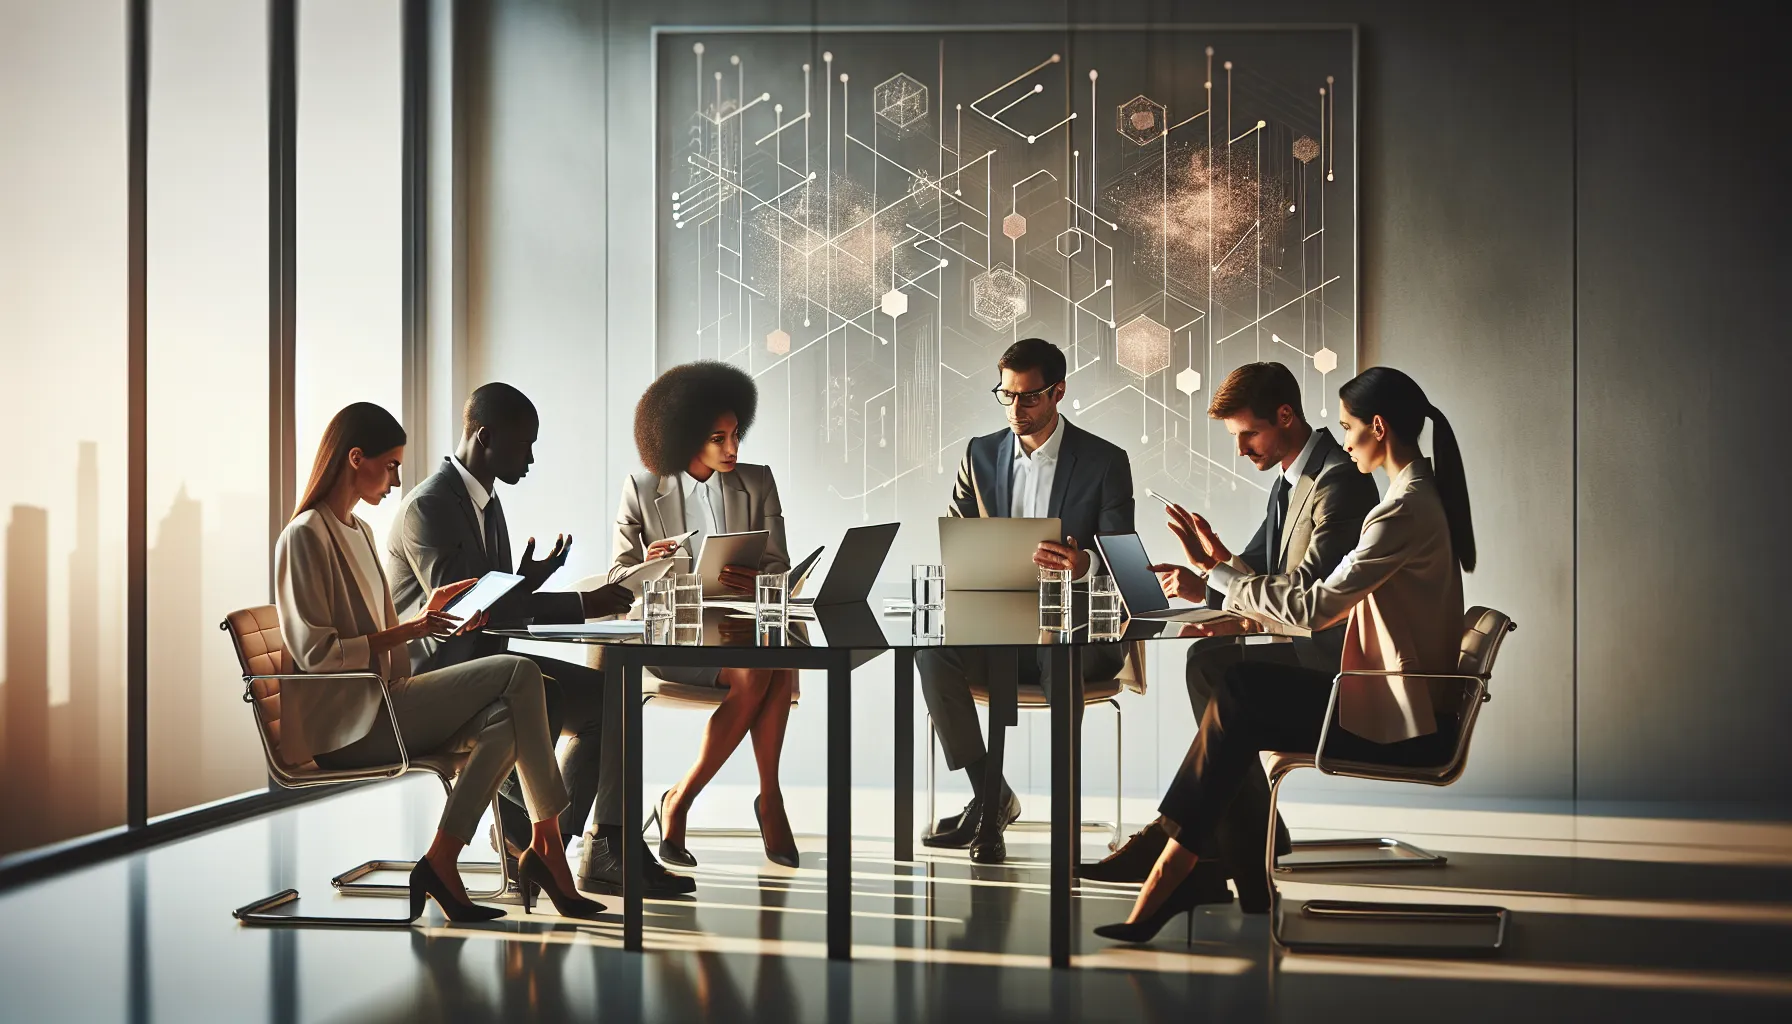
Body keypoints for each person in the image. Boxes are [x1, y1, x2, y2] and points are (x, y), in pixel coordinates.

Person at [1094, 366, 1476, 942]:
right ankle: (1214, 859)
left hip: (1402, 713)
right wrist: (1218, 567)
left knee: (1238, 688)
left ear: (1377, 427)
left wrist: (1217, 576)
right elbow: (1304, 590)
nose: (1343, 442)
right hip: (1391, 690)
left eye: (1348, 427)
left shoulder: (1398, 507)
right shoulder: (1410, 497)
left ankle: (1185, 858)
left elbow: (1313, 607)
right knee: (1226, 678)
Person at [274, 402, 600, 921]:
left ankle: (442, 860)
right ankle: (549, 847)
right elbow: (315, 656)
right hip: (347, 726)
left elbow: (383, 634)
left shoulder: (357, 531)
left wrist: (429, 614)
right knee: (520, 673)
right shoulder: (304, 536)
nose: (398, 479)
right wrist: (414, 628)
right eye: (391, 465)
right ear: (355, 458)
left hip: (387, 700)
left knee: (506, 719)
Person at [1078, 362, 1380, 905]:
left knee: (1214, 667)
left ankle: (1219, 840)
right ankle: (1241, 832)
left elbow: (1303, 593)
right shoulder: (1293, 480)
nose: (1241, 450)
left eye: (1248, 434)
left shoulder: (1339, 484)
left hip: (1336, 667)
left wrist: (1218, 575)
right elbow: (1259, 571)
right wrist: (1205, 579)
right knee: (1212, 659)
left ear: (1285, 416)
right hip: (1305, 646)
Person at [385, 383, 694, 896]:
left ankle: (600, 844)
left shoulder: (485, 502)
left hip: (490, 667)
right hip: (439, 683)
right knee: (542, 695)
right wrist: (580, 603)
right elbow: (469, 610)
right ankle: (537, 847)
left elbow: (491, 599)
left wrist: (530, 581)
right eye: (524, 444)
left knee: (611, 696)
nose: (530, 458)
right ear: (486, 437)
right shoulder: (431, 506)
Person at [919, 338, 1134, 864]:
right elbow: (959, 540)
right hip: (1002, 623)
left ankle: (1063, 813)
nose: (1017, 409)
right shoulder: (979, 453)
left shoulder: (1105, 461)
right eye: (1007, 395)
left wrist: (1083, 566)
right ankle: (990, 796)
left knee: (1059, 647)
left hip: (1078, 628)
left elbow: (1122, 558)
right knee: (930, 653)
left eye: (1030, 397)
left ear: (1058, 391)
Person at [607, 361, 799, 869]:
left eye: (737, 434)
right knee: (768, 668)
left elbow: (780, 567)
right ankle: (749, 799)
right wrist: (649, 565)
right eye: (720, 438)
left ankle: (706, 798)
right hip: (675, 636)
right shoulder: (643, 488)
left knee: (774, 660)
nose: (734, 449)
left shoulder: (756, 483)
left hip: (740, 626)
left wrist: (759, 582)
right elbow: (616, 578)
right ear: (685, 436)